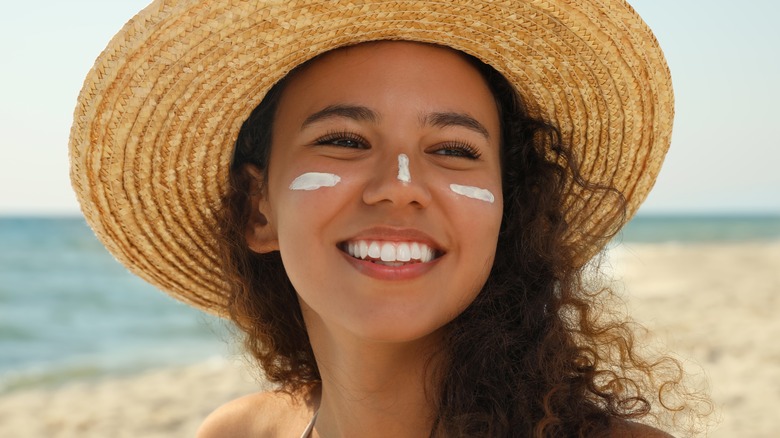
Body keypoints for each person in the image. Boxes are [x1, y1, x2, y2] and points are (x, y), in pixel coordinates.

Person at [70, 1, 708, 436]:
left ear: (509, 214)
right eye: (344, 141)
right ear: (258, 210)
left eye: (454, 151)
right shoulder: (236, 432)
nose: (400, 188)